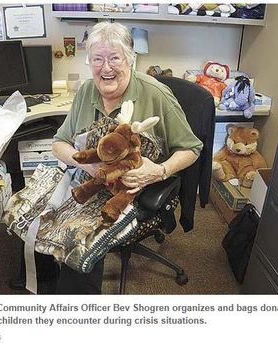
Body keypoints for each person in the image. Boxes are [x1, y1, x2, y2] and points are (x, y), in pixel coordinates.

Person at [36, 22, 203, 294]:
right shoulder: (87, 91)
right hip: (91, 178)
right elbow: (59, 144)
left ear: (131, 60)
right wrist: (87, 165)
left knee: (81, 242)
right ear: (89, 62)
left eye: (115, 58)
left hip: (135, 189)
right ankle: (41, 283)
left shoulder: (155, 94)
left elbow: (192, 149)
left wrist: (159, 171)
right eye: (98, 59)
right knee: (40, 210)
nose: (106, 68)